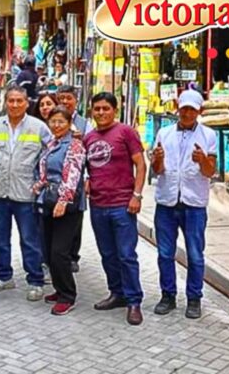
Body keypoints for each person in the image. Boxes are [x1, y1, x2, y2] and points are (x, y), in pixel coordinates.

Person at [0, 85, 51, 299]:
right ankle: (3, 276)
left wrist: (42, 181)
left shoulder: (38, 127)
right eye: (11, 100)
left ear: (27, 103)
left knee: (29, 238)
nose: (15, 105)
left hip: (25, 192)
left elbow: (50, 155)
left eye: (20, 101)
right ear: (5, 102)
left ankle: (35, 280)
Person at [150, 90, 217, 319]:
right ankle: (168, 294)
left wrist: (203, 161)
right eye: (184, 108)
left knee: (195, 254)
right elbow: (157, 171)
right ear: (178, 108)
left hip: (194, 204)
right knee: (165, 253)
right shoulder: (164, 132)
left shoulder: (208, 135)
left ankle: (194, 297)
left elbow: (210, 172)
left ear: (199, 112)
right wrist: (157, 159)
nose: (187, 113)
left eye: (192, 109)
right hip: (167, 202)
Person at [84, 92, 147, 326]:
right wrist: (87, 181)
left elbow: (141, 165)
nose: (101, 112)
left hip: (122, 205)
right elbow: (86, 168)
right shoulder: (88, 138)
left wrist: (137, 195)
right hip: (98, 205)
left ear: (115, 111)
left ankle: (134, 301)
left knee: (127, 255)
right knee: (108, 254)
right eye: (97, 109)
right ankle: (117, 293)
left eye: (105, 108)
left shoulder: (126, 133)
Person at [33, 107, 86, 315]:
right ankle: (59, 288)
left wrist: (64, 200)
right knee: (47, 249)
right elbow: (47, 172)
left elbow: (72, 174)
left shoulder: (75, 145)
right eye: (53, 121)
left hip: (66, 205)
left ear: (69, 123)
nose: (56, 125)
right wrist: (39, 185)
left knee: (59, 253)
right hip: (48, 201)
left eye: (60, 122)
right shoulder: (52, 143)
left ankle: (68, 295)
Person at [56, 85, 93, 272]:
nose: (64, 102)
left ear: (75, 100)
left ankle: (72, 255)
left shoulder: (85, 123)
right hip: (56, 177)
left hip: (77, 178)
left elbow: (91, 152)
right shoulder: (53, 119)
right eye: (61, 98)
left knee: (75, 217)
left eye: (68, 98)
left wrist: (88, 178)